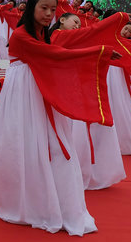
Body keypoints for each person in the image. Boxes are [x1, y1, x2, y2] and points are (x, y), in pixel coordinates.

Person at [0, 0, 117, 236]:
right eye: (43, 8)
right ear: (32, 7)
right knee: (26, 145)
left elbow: (64, 48)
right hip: (23, 95)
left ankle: (52, 200)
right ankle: (29, 202)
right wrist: (98, 54)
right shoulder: (21, 35)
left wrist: (102, 49)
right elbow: (54, 54)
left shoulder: (42, 33)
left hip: (39, 88)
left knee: (51, 146)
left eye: (52, 9)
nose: (49, 14)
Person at [50, 12, 126, 190]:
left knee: (82, 132)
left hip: (74, 88)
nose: (77, 25)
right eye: (74, 21)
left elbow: (85, 50)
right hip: (64, 91)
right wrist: (117, 18)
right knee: (71, 132)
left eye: (79, 23)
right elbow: (90, 35)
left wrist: (103, 53)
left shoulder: (68, 38)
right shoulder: (57, 36)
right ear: (62, 20)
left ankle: (82, 172)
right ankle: (72, 173)